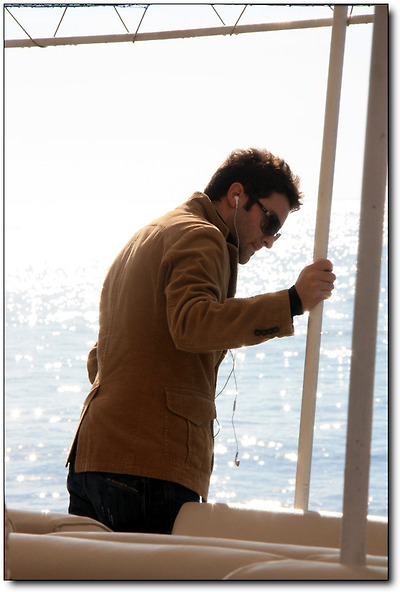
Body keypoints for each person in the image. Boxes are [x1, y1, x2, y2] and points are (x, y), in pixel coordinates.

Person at [66, 148, 335, 534]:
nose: (269, 240)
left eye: (276, 231)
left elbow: (100, 358)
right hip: (149, 470)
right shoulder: (202, 236)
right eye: (269, 221)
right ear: (236, 195)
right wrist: (292, 302)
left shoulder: (146, 237)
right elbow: (193, 324)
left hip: (92, 460)